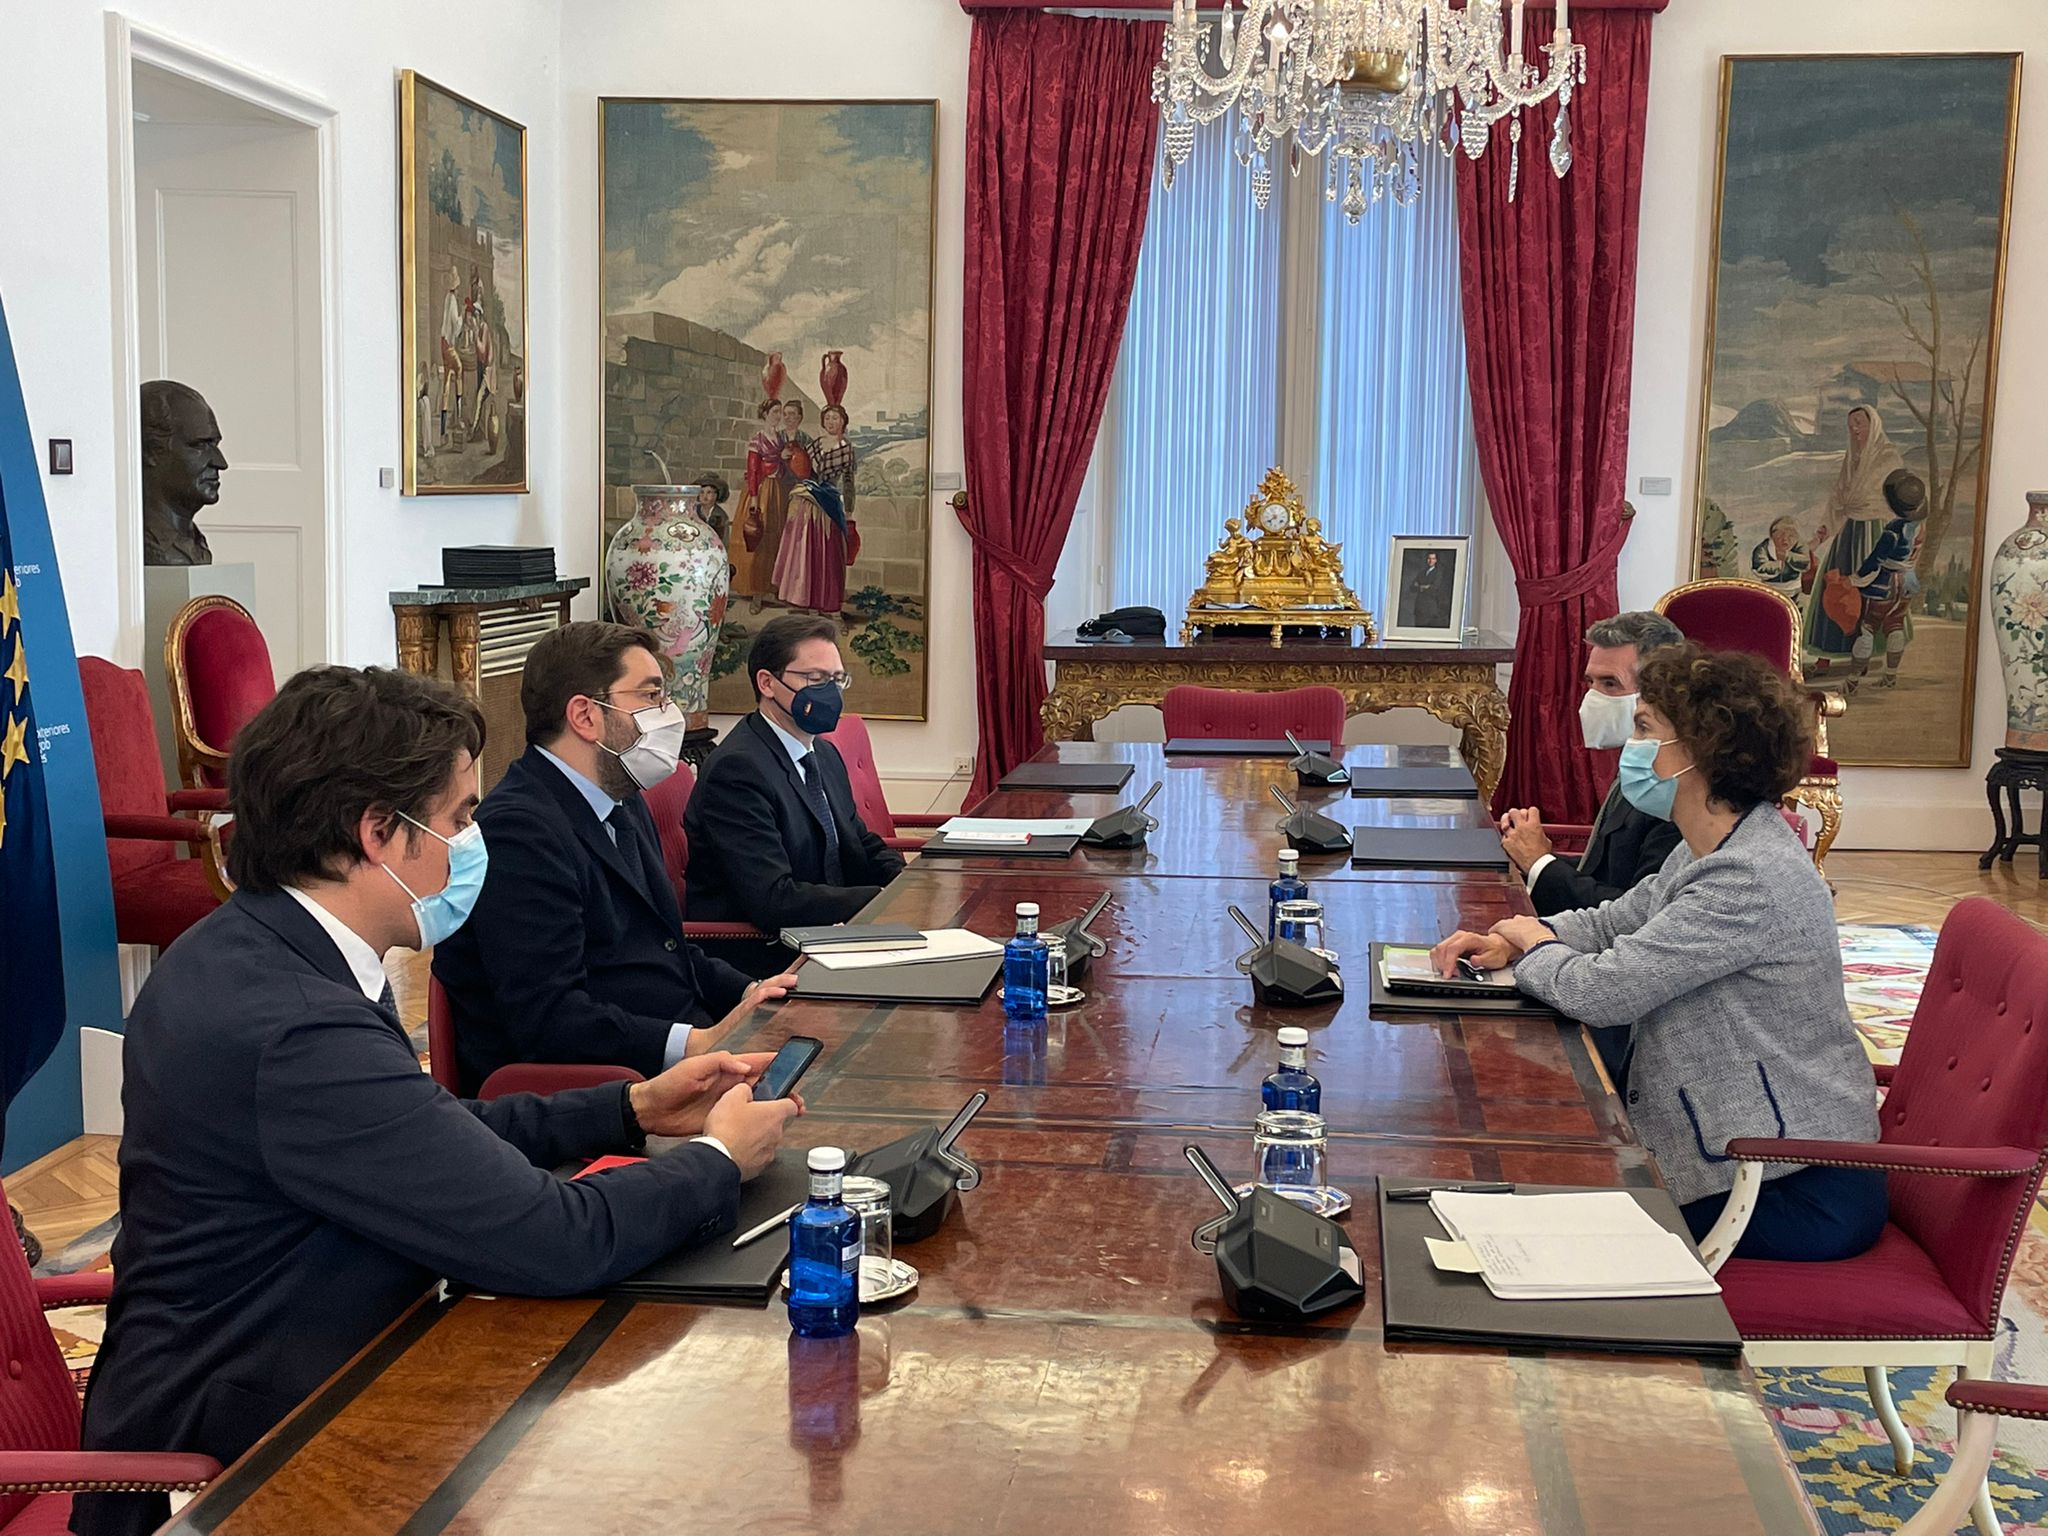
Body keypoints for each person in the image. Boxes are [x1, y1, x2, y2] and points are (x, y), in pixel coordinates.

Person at [72, 665, 801, 1536]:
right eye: (458, 817)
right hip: (248, 1453)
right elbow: (550, 1239)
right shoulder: (292, 1025)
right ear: (380, 832)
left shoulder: (263, 944)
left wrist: (631, 1108)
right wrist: (719, 1161)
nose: (470, 839)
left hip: (332, 1365)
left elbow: (419, 1127)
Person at [1432, 644, 1884, 1262]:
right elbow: (1617, 921)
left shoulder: (1747, 875)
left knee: (1530, 1221)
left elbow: (1604, 991)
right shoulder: (1710, 847)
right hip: (1739, 1151)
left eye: (1645, 730)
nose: (1631, 747)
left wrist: (1535, 945)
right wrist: (1511, 936)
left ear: (1700, 751)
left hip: (1785, 1181)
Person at [433, 622, 797, 1092]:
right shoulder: (518, 831)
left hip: (675, 1052)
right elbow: (551, 1021)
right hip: (604, 1088)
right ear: (585, 716)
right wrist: (696, 1043)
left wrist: (751, 992)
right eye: (650, 697)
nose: (669, 715)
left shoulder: (619, 798)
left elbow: (667, 948)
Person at [685, 615, 905, 945]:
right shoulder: (737, 770)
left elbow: (859, 842)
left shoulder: (824, 753)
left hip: (830, 929)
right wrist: (880, 899)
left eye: (836, 679)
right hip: (768, 951)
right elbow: (772, 899)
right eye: (815, 678)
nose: (829, 692)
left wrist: (906, 884)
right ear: (767, 683)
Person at [1498, 611, 1685, 918]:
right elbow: (1603, 874)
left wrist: (1540, 863)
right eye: (1591, 682)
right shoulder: (1636, 760)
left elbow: (1638, 914)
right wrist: (1533, 860)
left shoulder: (1673, 784)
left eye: (1610, 684)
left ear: (1659, 691)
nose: (1592, 698)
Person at [1804, 404, 1906, 672]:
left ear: (1873, 425)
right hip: (1849, 532)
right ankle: (1824, 658)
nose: (1855, 430)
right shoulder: (1851, 460)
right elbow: (1838, 500)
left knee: (1873, 594)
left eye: (1859, 424)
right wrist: (1819, 537)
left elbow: (1899, 498)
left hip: (1876, 532)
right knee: (1833, 591)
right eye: (1851, 426)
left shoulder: (1889, 457)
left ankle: (1867, 656)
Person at [1846, 468, 1929, 692]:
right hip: (1908, 582)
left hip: (1886, 583)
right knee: (1895, 625)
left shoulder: (1894, 529)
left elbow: (1877, 557)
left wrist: (1858, 576)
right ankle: (1890, 676)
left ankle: (1852, 680)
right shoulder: (1920, 526)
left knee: (1868, 627)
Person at [139, 380, 227, 566]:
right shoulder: (138, 546)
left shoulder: (195, 543)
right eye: (200, 445)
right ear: (151, 451)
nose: (221, 463)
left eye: (215, 445)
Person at [735, 399, 789, 612]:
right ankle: (756, 593)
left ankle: (771, 587)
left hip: (778, 492)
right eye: (775, 411)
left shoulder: (781, 438)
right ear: (765, 413)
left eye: (780, 412)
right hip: (761, 491)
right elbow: (754, 469)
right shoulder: (758, 439)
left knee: (775, 539)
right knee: (759, 538)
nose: (778, 416)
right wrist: (755, 499)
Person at [1750, 515, 1814, 600]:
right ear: (1772, 535)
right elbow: (1759, 567)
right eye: (1780, 535)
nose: (1785, 539)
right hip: (1769, 589)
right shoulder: (1763, 548)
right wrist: (1778, 565)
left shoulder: (1800, 545)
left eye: (1791, 536)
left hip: (1794, 589)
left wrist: (1788, 557)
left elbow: (1806, 563)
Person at [1405, 550, 1451, 629]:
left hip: (1431, 607)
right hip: (1419, 607)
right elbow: (1412, 587)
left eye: (1433, 559)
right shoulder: (1421, 573)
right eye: (1429, 558)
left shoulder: (1438, 573)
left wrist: (1420, 586)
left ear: (1436, 560)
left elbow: (1434, 587)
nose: (1430, 561)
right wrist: (1425, 587)